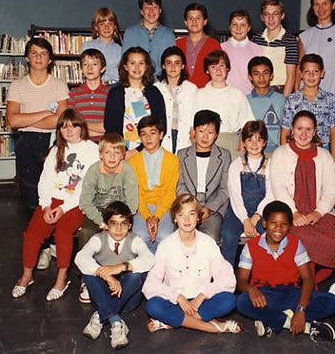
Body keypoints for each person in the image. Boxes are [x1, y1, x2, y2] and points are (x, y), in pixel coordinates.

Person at [11, 109, 99, 301]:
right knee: (32, 234)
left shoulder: (92, 150)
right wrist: (46, 205)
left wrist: (63, 208)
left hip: (76, 203)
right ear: (59, 130)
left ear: (82, 128)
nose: (69, 130)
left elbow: (86, 186)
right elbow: (45, 180)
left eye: (74, 126)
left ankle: (61, 278)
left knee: (63, 234)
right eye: (64, 126)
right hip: (52, 201)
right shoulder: (56, 149)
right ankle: (27, 275)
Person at [236, 200, 335, 340]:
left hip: (292, 293)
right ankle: (307, 327)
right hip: (265, 295)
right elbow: (241, 280)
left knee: (332, 302)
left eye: (284, 224)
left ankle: (272, 321)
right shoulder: (251, 246)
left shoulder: (296, 243)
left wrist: (301, 309)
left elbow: (308, 279)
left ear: (289, 226)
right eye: (273, 223)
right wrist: (251, 290)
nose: (278, 228)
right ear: (265, 223)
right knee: (242, 302)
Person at [142, 194, 242, 334]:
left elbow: (228, 279)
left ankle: (173, 322)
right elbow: (150, 285)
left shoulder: (208, 243)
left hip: (201, 303)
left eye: (192, 214)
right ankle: (210, 327)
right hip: (175, 303)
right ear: (175, 219)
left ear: (198, 218)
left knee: (229, 300)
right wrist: (178, 297)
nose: (187, 219)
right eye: (181, 215)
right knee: (153, 306)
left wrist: (202, 296)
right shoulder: (166, 245)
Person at [271, 111, 335, 284]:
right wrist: (294, 213)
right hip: (291, 212)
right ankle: (305, 280)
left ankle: (312, 279)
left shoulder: (325, 156)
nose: (303, 134)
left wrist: (318, 213)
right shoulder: (280, 153)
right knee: (298, 237)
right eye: (299, 128)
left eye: (308, 129)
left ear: (314, 132)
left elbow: (331, 190)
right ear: (291, 130)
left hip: (319, 212)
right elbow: (278, 187)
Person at [75, 201, 154, 350]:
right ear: (106, 225)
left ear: (130, 225)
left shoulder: (134, 240)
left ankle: (101, 315)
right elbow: (80, 258)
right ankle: (115, 321)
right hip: (103, 293)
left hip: (128, 299)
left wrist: (121, 267)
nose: (118, 229)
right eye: (113, 223)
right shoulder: (98, 239)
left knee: (135, 275)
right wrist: (106, 275)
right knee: (89, 273)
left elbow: (150, 259)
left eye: (123, 224)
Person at [6, 38, 68, 219]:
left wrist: (26, 119)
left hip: (53, 141)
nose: (39, 57)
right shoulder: (17, 86)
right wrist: (44, 113)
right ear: (26, 58)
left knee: (54, 189)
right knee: (30, 192)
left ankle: (53, 242)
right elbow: (13, 121)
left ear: (50, 60)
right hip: (27, 142)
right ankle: (38, 239)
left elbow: (60, 121)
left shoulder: (59, 85)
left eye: (43, 54)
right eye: (34, 53)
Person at [77, 133, 138, 303]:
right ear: (100, 154)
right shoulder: (94, 170)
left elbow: (132, 203)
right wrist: (100, 221)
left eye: (117, 152)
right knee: (86, 233)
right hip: (98, 211)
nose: (112, 157)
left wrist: (117, 222)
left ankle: (119, 273)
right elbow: (85, 202)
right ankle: (87, 278)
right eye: (108, 152)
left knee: (122, 234)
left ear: (123, 155)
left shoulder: (127, 170)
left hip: (120, 212)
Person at [221, 121, 274, 265]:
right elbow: (235, 196)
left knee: (270, 234)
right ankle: (227, 277)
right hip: (238, 209)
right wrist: (245, 220)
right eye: (250, 140)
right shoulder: (236, 165)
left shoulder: (270, 165)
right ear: (244, 142)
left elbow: (271, 195)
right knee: (229, 235)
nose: (254, 144)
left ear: (264, 142)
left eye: (259, 139)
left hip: (262, 211)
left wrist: (256, 217)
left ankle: (265, 275)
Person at [177, 110, 231, 243]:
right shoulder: (182, 155)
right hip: (187, 206)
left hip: (213, 208)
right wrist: (191, 207)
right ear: (194, 132)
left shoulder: (224, 156)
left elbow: (225, 188)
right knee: (182, 239)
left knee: (211, 240)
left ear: (216, 135)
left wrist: (209, 208)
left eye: (210, 132)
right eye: (201, 131)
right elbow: (180, 185)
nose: (205, 137)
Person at [127, 115, 179, 253]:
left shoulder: (172, 160)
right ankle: (144, 271)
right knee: (140, 237)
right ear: (139, 137)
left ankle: (158, 271)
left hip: (164, 207)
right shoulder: (133, 162)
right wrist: (147, 216)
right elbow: (136, 192)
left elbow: (170, 192)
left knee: (165, 237)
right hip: (141, 207)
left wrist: (157, 216)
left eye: (153, 133)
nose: (148, 138)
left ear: (161, 135)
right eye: (143, 134)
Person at [104, 46, 166, 159]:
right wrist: (122, 152)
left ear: (146, 66)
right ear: (125, 66)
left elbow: (161, 125)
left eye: (141, 63)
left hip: (149, 152)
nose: (137, 67)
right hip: (121, 154)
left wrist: (139, 150)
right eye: (132, 63)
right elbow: (110, 127)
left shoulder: (154, 93)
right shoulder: (115, 93)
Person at [280, 53, 335, 163]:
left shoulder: (330, 99)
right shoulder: (291, 100)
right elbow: (285, 131)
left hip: (322, 150)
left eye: (316, 72)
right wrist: (286, 158)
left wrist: (334, 160)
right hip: (296, 151)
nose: (311, 76)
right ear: (301, 74)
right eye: (307, 72)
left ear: (322, 73)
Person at [194, 50, 255, 158]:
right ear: (207, 70)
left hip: (232, 142)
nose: (218, 70)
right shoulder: (199, 94)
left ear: (227, 68)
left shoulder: (237, 94)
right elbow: (192, 127)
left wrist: (241, 148)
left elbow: (247, 124)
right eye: (213, 66)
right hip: (205, 142)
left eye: (221, 65)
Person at [296, 0, 335, 97]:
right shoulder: (304, 36)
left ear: (333, 5)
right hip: (307, 92)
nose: (320, 8)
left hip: (332, 88)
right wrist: (298, 93)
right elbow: (299, 69)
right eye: (316, 4)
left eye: (325, 3)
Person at [122, 0, 175, 78]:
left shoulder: (169, 35)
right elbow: (125, 61)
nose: (151, 11)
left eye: (155, 7)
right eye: (147, 7)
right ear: (141, 11)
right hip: (136, 81)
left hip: (161, 83)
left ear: (160, 10)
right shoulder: (130, 32)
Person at [155, 46, 198, 153]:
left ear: (183, 66)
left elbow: (195, 113)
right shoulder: (156, 88)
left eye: (177, 63)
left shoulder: (191, 89)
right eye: (169, 63)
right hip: (163, 137)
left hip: (184, 136)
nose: (173, 67)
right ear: (163, 66)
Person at [253, 0, 298, 96]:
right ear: (262, 17)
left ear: (282, 16)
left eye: (275, 14)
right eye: (267, 14)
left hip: (280, 91)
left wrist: (283, 101)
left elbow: (291, 77)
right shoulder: (256, 39)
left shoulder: (290, 40)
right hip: (259, 91)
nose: (271, 18)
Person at [176, 3, 221, 88]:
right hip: (183, 92)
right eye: (190, 18)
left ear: (205, 21)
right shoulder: (177, 44)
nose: (194, 21)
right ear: (185, 22)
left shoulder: (214, 44)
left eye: (198, 18)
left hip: (206, 92)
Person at [68, 49, 109, 142]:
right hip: (80, 143)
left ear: (102, 69)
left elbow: (110, 126)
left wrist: (82, 125)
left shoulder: (110, 93)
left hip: (105, 143)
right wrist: (102, 130)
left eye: (94, 64)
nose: (89, 68)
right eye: (85, 64)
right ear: (81, 69)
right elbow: (72, 126)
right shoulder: (73, 94)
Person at [246, 56, 285, 153]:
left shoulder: (282, 100)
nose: (261, 78)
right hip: (252, 151)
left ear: (271, 76)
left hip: (276, 152)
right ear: (250, 77)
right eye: (256, 74)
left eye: (265, 73)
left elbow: (286, 129)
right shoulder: (245, 100)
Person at [221, 9, 262, 95]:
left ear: (249, 28)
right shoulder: (221, 48)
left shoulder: (256, 49)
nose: (238, 28)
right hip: (225, 95)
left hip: (248, 95)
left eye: (243, 25)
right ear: (229, 27)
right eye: (235, 24)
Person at [81, 7, 121, 84]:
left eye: (110, 24)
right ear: (96, 27)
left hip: (115, 86)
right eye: (102, 24)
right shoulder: (87, 46)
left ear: (115, 27)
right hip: (94, 85)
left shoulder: (120, 49)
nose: (106, 27)